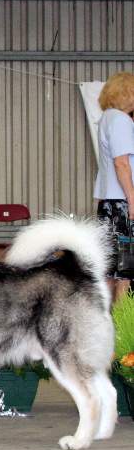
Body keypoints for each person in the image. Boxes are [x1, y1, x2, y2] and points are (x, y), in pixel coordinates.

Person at [94, 71, 134, 302]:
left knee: (110, 269)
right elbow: (122, 164)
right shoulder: (120, 120)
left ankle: (109, 321)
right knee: (124, 270)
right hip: (122, 203)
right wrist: (132, 200)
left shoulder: (107, 117)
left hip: (110, 203)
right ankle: (121, 321)